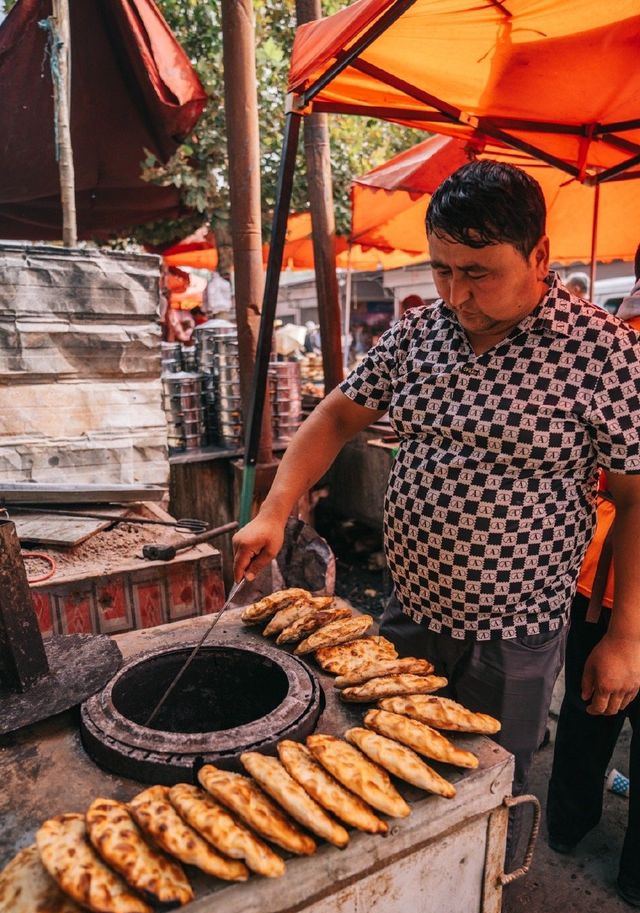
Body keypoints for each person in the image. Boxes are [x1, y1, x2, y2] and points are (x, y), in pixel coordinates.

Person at [233, 161, 640, 864]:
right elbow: (332, 418)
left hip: (514, 633)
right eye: (443, 270)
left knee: (489, 790)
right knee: (388, 771)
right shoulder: (418, 336)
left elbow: (637, 500)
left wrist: (626, 636)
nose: (456, 294)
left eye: (477, 272)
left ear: (540, 256)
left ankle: (484, 899)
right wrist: (274, 509)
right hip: (409, 612)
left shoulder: (602, 350)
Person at [547, 251, 640, 906]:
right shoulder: (621, 346)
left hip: (604, 579)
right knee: (589, 711)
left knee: (588, 717)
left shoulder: (618, 339)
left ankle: (565, 827)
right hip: (607, 580)